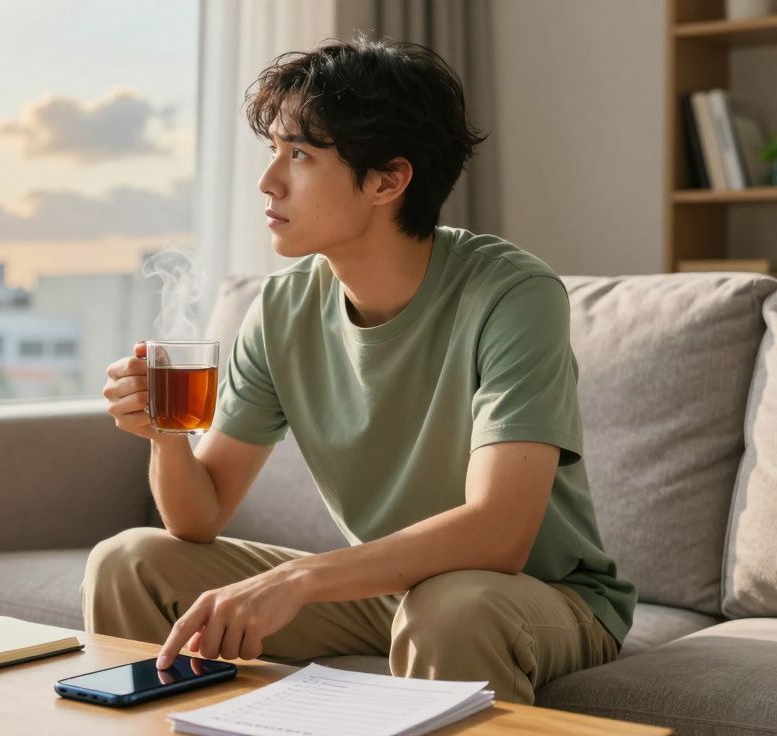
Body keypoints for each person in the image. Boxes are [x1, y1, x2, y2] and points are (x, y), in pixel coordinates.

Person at [85, 33, 635, 705]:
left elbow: (500, 533)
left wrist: (301, 580)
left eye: (300, 155)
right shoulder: (280, 307)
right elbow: (198, 518)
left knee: (452, 607)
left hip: (538, 597)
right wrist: (166, 433)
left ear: (388, 180)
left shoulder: (512, 294)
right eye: (271, 152)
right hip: (393, 593)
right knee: (129, 563)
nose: (268, 181)